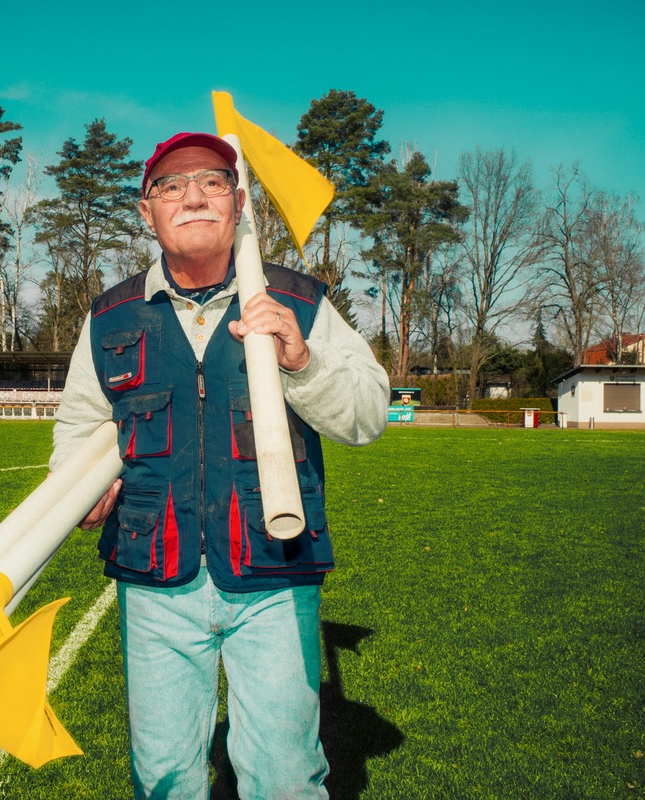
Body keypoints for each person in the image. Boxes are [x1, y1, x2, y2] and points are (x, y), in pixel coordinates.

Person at [50, 131, 390, 799]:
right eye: (170, 186)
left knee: (285, 777)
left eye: (210, 181)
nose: (192, 196)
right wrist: (77, 487)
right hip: (156, 579)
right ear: (147, 214)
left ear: (238, 203)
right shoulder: (110, 316)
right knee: (166, 776)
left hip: (275, 571)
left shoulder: (299, 300)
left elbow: (369, 414)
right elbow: (80, 423)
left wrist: (302, 364)